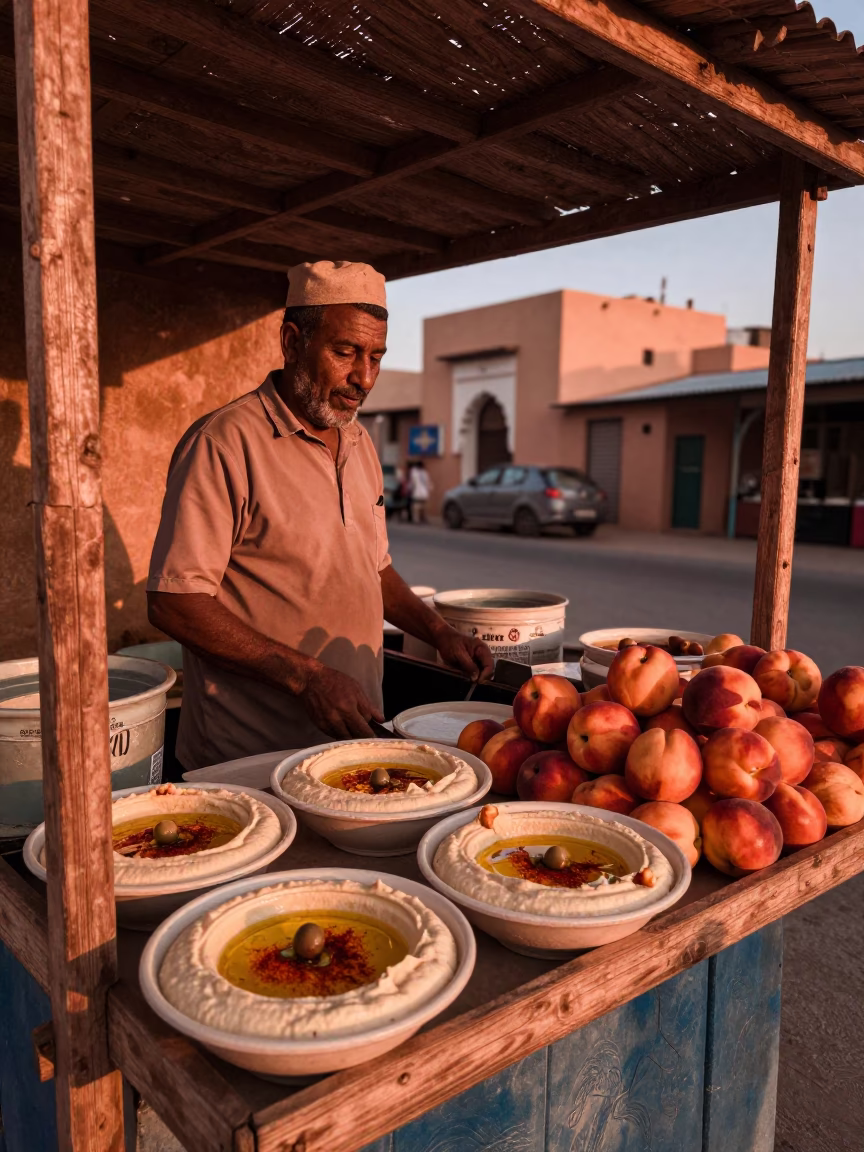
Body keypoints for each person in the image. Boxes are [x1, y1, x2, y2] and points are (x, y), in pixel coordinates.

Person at [147, 260, 493, 771]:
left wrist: (438, 632)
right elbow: (175, 602)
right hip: (248, 758)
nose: (364, 377)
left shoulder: (359, 442)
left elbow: (374, 568)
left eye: (376, 356)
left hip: (347, 748)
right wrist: (305, 677)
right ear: (291, 343)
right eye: (345, 352)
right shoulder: (224, 444)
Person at [410, 459, 432, 524]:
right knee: (421, 506)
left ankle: (417, 519)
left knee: (417, 506)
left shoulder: (415, 472)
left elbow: (413, 482)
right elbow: (427, 482)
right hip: (422, 492)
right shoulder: (423, 473)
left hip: (419, 492)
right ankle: (420, 518)